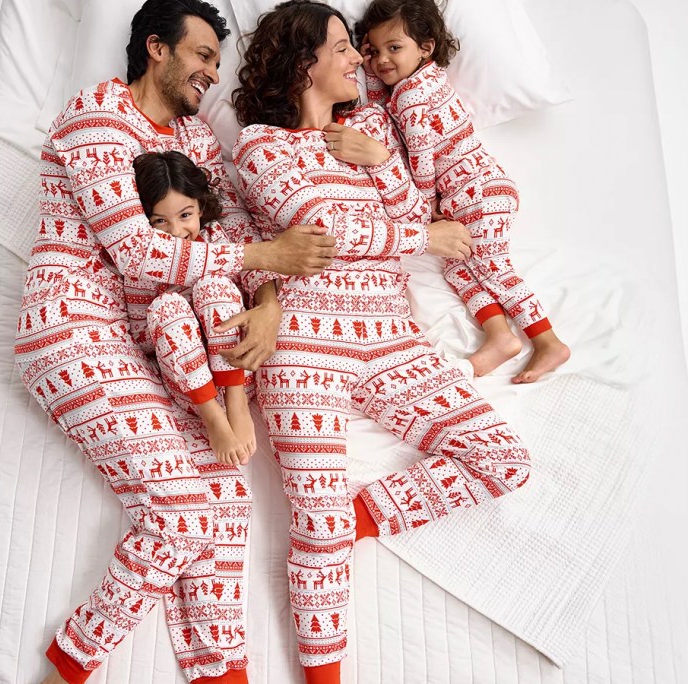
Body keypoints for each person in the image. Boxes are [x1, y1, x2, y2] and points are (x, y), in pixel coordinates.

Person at [13, 0, 336, 682]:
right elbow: (137, 253)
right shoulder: (95, 119)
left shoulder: (192, 139)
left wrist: (270, 304)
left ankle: (224, 677)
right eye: (201, 57)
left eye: (218, 62)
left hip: (160, 350)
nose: (211, 75)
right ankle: (69, 665)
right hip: (77, 332)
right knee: (183, 515)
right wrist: (265, 263)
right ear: (156, 49)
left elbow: (236, 232)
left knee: (227, 502)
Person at [232, 2, 533, 682]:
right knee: (315, 525)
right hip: (305, 348)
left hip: (392, 337)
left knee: (502, 460)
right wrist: (425, 238)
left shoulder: (371, 127)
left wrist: (383, 164)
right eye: (342, 48)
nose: (357, 62)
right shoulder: (259, 147)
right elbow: (320, 236)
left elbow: (405, 211)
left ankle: (348, 526)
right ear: (301, 62)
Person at [356, 0, 571, 382]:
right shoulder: (424, 80)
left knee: (493, 268)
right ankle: (500, 337)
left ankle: (548, 341)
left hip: (478, 192)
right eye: (376, 50)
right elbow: (379, 105)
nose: (384, 60)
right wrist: (371, 67)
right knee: (458, 267)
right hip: (472, 194)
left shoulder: (410, 96)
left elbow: (420, 156)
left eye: (394, 48)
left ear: (426, 47)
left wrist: (424, 205)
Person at [132, 150, 256, 465]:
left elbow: (239, 294)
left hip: (237, 373)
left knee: (213, 285)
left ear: (200, 207)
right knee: (167, 306)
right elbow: (142, 337)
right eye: (160, 221)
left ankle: (236, 403)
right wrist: (175, 309)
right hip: (189, 386)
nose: (176, 232)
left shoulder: (216, 238)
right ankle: (213, 417)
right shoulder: (142, 265)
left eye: (185, 215)